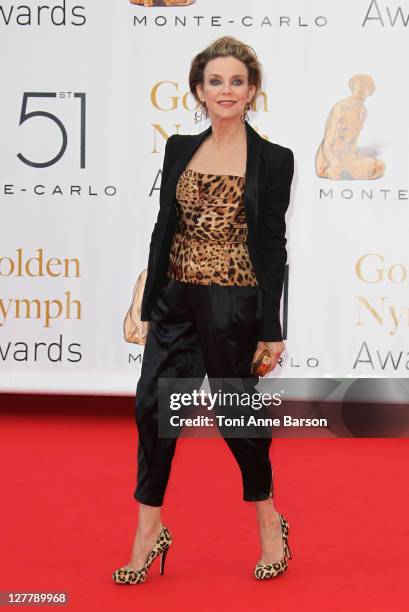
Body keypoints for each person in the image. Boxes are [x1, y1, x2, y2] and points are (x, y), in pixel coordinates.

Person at [112, 35, 295, 584]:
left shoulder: (273, 159)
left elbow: (272, 246)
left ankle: (269, 522)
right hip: (174, 298)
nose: (226, 90)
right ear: (198, 89)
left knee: (235, 415)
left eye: (237, 81)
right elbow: (163, 228)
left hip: (233, 302)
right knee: (153, 409)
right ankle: (149, 530)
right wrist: (147, 303)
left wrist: (270, 325)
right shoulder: (177, 148)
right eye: (215, 81)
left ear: (252, 91)